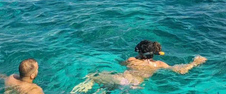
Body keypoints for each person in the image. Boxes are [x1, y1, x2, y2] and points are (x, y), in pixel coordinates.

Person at [71, 40, 207, 93]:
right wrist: (195, 63)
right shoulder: (159, 64)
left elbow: (121, 64)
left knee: (93, 77)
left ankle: (82, 89)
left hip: (121, 79)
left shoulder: (132, 60)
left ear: (140, 52)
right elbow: (180, 70)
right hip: (135, 86)